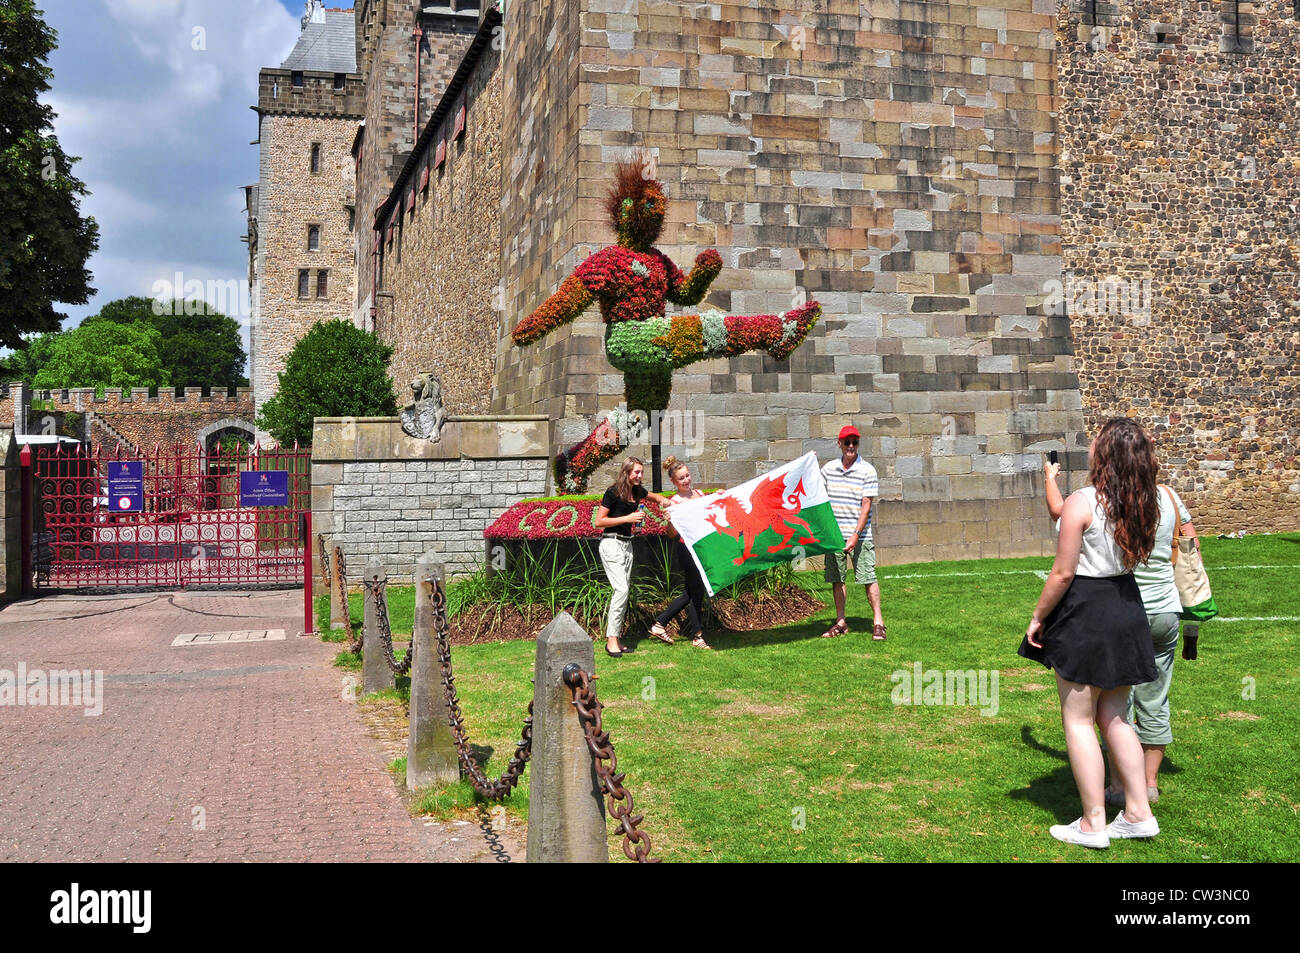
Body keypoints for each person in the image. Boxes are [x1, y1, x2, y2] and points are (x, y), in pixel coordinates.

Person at [1021, 418, 1161, 848]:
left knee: (1079, 720)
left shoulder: (1082, 502)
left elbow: (1063, 572)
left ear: (1106, 454)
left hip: (1087, 610)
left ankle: (1092, 822)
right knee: (1116, 715)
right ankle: (1138, 812)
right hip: (1126, 606)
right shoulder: (1144, 502)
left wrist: (1037, 617)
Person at [1045, 455, 1198, 808]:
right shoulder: (1169, 498)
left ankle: (1117, 788)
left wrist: (1049, 477)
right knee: (1156, 698)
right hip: (1167, 610)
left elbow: (1060, 513)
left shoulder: (1110, 501)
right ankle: (1148, 784)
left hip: (1125, 610)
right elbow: (1191, 543)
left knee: (1114, 710)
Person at [593, 457, 669, 657]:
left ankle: (616, 638)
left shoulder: (637, 492)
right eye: (636, 472)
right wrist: (628, 518)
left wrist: (665, 500)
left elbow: (654, 497)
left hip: (627, 545)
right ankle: (611, 641)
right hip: (611, 544)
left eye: (642, 472)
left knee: (623, 593)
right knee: (621, 590)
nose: (640, 475)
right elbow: (599, 522)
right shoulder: (612, 492)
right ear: (626, 472)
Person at [820, 424, 884, 640]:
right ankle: (840, 622)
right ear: (839, 444)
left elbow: (866, 505)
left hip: (861, 536)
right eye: (846, 442)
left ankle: (878, 623)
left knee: (868, 578)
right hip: (835, 536)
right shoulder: (828, 469)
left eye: (854, 442)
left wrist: (856, 535)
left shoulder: (868, 470)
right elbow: (818, 497)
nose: (850, 446)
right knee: (837, 579)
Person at [647, 456, 713, 649]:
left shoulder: (700, 494)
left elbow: (712, 510)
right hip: (686, 549)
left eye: (687, 475)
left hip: (701, 547)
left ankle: (660, 624)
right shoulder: (674, 502)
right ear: (674, 482)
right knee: (695, 591)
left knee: (692, 592)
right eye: (681, 478)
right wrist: (670, 520)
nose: (686, 480)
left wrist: (720, 495)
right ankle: (696, 635)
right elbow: (671, 534)